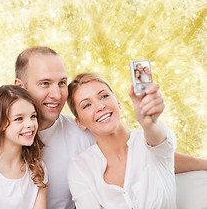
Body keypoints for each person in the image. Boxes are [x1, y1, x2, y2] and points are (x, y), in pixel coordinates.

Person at [0, 46, 207, 209]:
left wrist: (201, 162)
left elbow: (148, 154)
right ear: (19, 85)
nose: (56, 94)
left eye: (62, 82)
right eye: (44, 83)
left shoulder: (82, 134)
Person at [67, 72, 176, 208]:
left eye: (104, 96)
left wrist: (149, 122)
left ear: (117, 102)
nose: (100, 106)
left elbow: (159, 140)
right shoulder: (81, 167)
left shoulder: (150, 142)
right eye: (87, 105)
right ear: (80, 122)